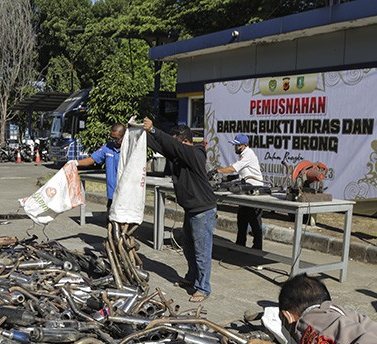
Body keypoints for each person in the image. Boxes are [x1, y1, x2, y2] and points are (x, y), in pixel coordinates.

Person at [143, 118, 217, 302]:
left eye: (176, 141)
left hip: (203, 210)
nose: (174, 146)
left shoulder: (195, 153)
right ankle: (192, 278)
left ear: (185, 141)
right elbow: (164, 146)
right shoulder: (180, 154)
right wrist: (142, 133)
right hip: (192, 209)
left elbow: (172, 146)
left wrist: (155, 130)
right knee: (189, 248)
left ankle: (203, 287)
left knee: (202, 251)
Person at [215, 133, 265, 250]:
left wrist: (218, 170)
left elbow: (233, 168)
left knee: (254, 220)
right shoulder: (243, 154)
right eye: (235, 146)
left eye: (238, 146)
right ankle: (240, 244)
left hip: (255, 190)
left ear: (245, 145)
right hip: (247, 189)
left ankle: (257, 248)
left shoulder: (248, 154)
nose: (236, 148)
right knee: (242, 218)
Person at [76, 123, 125, 214]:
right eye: (112, 138)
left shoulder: (129, 149)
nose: (114, 141)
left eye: (116, 139)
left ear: (124, 136)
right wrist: (76, 163)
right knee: (110, 220)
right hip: (111, 193)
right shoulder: (107, 147)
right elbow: (92, 159)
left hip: (125, 194)